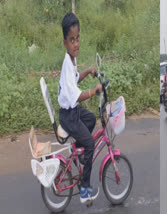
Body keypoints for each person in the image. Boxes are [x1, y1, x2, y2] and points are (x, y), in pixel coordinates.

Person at [58, 13, 101, 203]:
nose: (76, 43)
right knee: (91, 144)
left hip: (72, 111)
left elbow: (75, 80)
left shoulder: (71, 60)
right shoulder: (67, 64)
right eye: (72, 40)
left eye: (78, 38)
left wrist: (89, 70)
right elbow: (77, 95)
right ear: (65, 43)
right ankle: (84, 188)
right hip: (68, 116)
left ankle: (79, 150)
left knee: (91, 119)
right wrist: (94, 91)